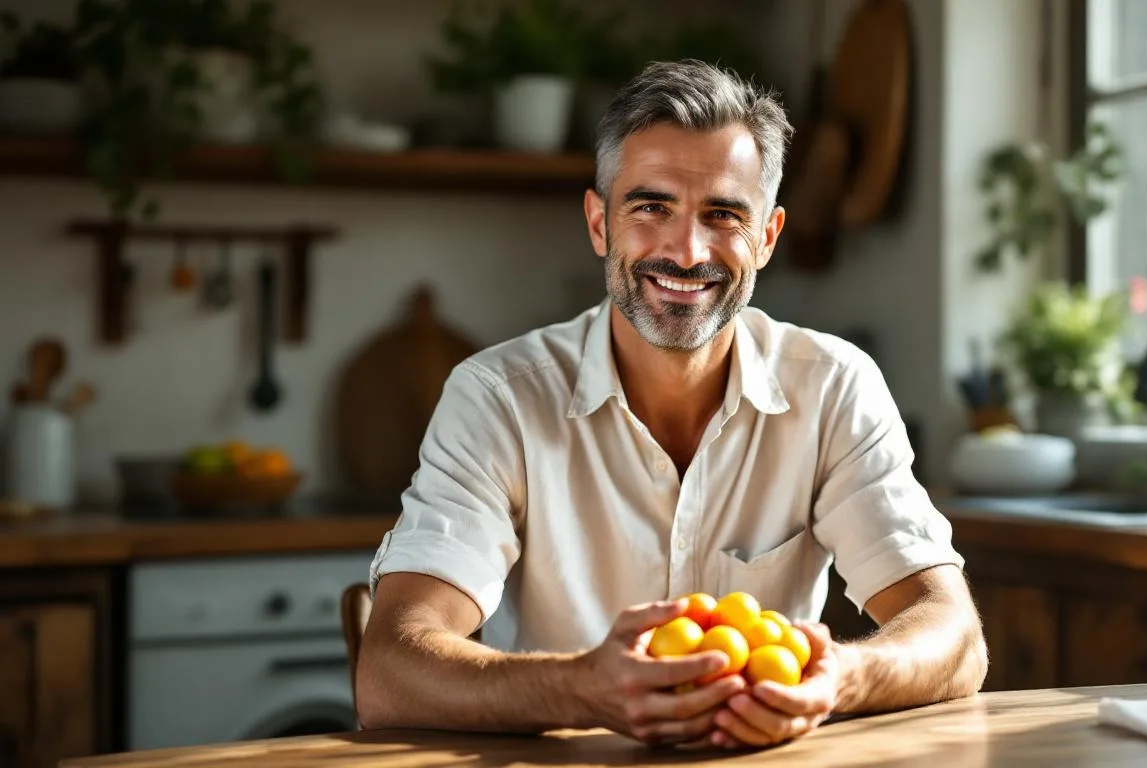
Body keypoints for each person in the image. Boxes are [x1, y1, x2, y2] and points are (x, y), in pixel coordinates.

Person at [356, 59, 987, 750]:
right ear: (600, 224)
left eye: (723, 214)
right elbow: (390, 671)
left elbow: (953, 635)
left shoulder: (834, 385)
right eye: (651, 207)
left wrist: (843, 676)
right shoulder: (498, 398)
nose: (686, 252)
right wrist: (579, 687)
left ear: (767, 238)